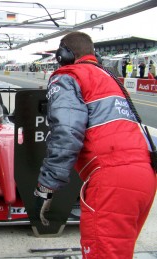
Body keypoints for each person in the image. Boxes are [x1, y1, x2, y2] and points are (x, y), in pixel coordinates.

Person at [34, 31, 156, 258]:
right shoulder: (110, 78)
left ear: (63, 55)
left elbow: (66, 132)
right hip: (145, 176)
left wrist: (47, 184)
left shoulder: (67, 76)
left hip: (112, 180)